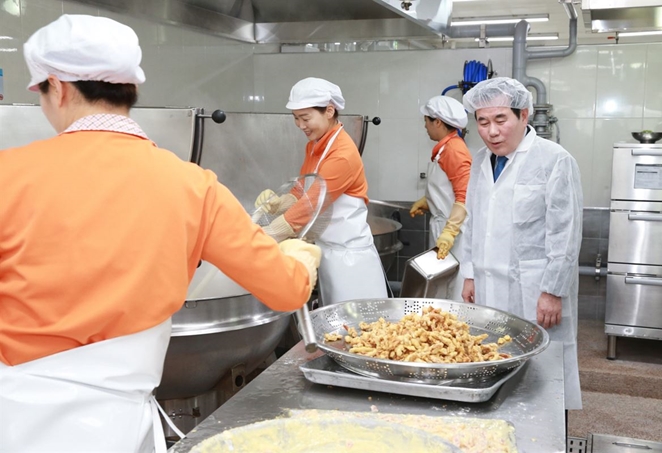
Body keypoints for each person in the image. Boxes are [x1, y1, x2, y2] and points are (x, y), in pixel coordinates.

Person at [0, 15, 321, 453]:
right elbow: (286, 291)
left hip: (15, 424)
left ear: (56, 87)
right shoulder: (193, 185)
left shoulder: (8, 176)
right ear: (131, 88)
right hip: (118, 431)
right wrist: (302, 262)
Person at [459, 77, 583, 412]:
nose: (492, 131)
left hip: (535, 287)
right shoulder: (481, 161)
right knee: (494, 357)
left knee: (542, 366)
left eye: (501, 120)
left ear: (523, 115)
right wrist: (470, 274)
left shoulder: (553, 160)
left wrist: (553, 290)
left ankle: (548, 430)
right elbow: (472, 221)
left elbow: (565, 231)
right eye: (483, 122)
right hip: (489, 281)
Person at [255, 77, 388, 306]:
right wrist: (280, 202)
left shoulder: (342, 155)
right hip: (327, 254)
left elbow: (310, 206)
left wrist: (266, 234)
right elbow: (303, 189)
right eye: (296, 118)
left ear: (329, 111)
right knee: (336, 329)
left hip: (351, 263)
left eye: (306, 118)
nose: (300, 125)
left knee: (361, 332)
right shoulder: (315, 145)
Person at [410, 95, 472, 300]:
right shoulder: (443, 149)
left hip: (454, 235)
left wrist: (450, 231)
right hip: (443, 227)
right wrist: (429, 202)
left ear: (437, 122)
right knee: (442, 287)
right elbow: (449, 189)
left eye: (426, 121)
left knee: (453, 290)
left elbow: (465, 195)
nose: (425, 126)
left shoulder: (454, 150)